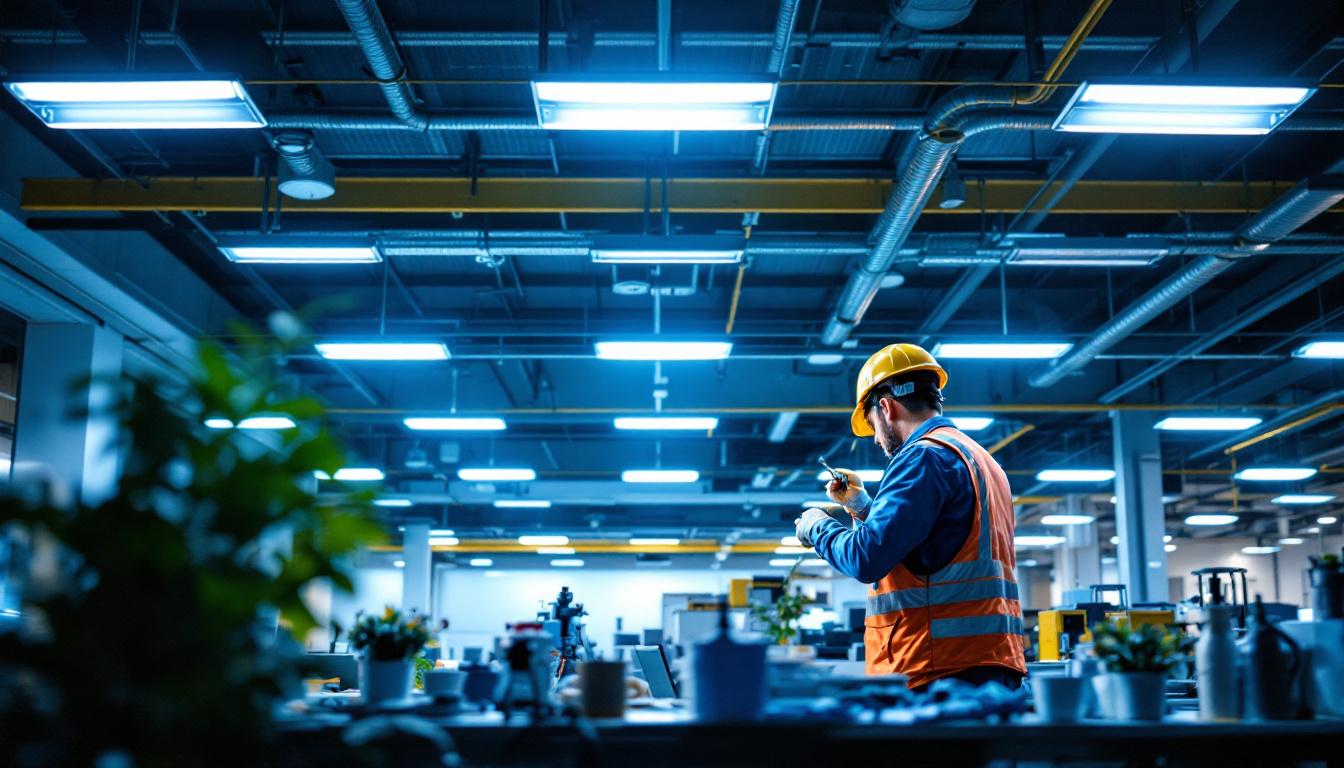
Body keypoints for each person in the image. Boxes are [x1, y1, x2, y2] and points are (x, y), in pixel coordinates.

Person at [794, 343, 1026, 691]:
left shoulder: (922, 458)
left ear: (885, 407)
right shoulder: (978, 458)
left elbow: (866, 558)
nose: (875, 438)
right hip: (985, 664)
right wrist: (862, 507)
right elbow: (931, 549)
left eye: (871, 423)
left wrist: (817, 526)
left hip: (937, 668)